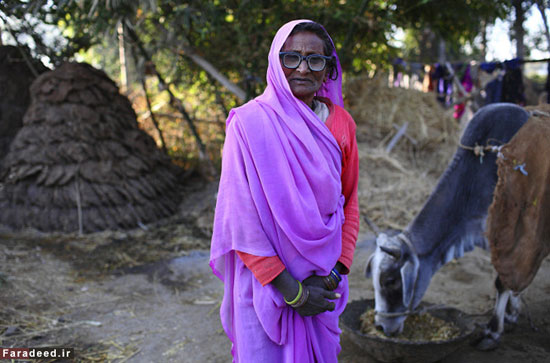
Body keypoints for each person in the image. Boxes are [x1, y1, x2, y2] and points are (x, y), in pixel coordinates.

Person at [210, 19, 359, 363]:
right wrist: (292, 292)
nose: (303, 68)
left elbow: (350, 202)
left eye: (315, 60)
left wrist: (335, 274)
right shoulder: (247, 124)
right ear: (276, 64)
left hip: (324, 286)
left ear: (328, 70)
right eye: (291, 58)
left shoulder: (341, 124)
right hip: (267, 289)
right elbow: (240, 219)